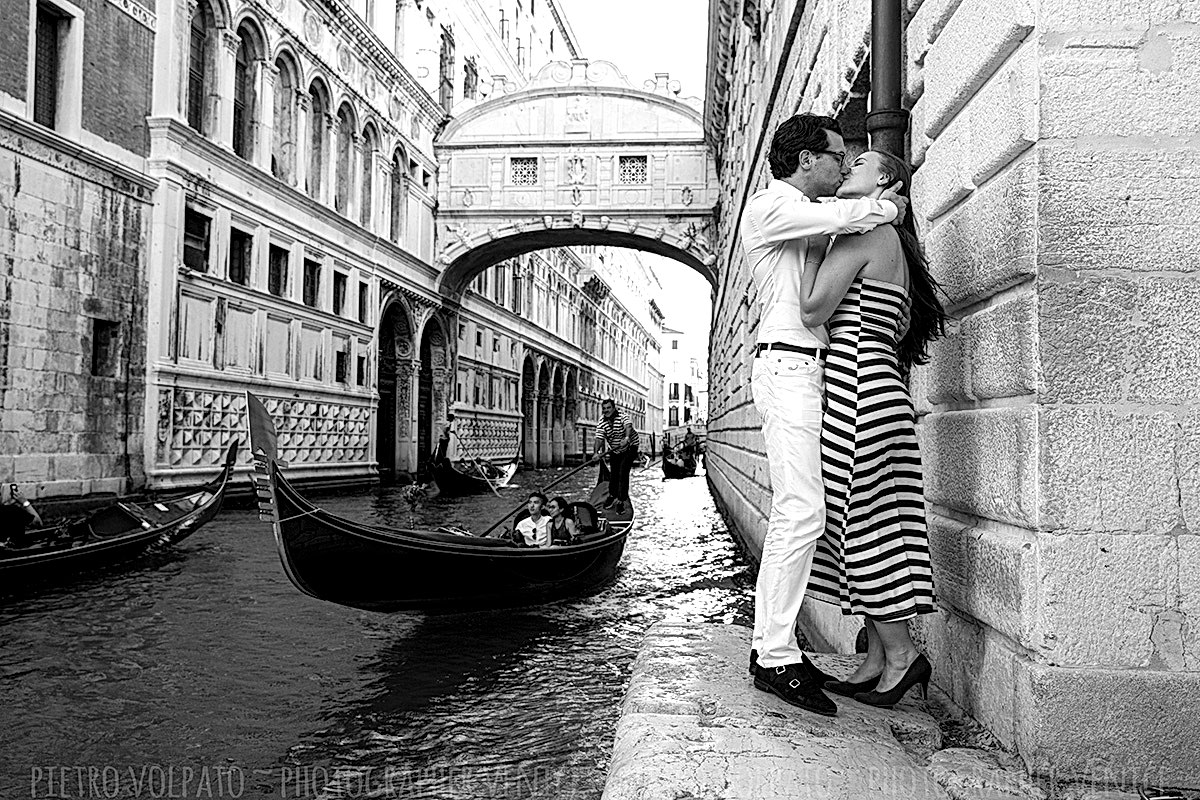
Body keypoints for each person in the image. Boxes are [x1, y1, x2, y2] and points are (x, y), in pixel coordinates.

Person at [741, 113, 909, 717]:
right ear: (807, 159)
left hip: (806, 370)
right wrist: (886, 208)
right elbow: (844, 217)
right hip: (787, 367)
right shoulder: (772, 205)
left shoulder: (804, 216)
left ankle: (776, 645)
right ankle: (773, 654)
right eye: (838, 156)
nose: (844, 165)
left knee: (806, 510)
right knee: (802, 509)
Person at [798, 149, 946, 708]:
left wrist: (813, 242)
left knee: (859, 530)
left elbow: (813, 309)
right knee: (883, 525)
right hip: (880, 394)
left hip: (857, 396)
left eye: (858, 163)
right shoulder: (891, 243)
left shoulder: (862, 236)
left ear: (885, 180)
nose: (847, 167)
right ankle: (879, 657)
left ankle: (903, 655)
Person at [594, 399, 635, 512]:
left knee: (623, 472)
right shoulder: (602, 421)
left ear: (614, 408)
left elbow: (628, 426)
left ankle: (621, 500)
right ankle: (612, 495)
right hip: (615, 449)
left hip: (630, 446)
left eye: (608, 408)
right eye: (604, 408)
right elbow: (599, 438)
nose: (606, 410)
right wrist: (596, 453)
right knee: (614, 474)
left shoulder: (622, 416)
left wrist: (626, 438)